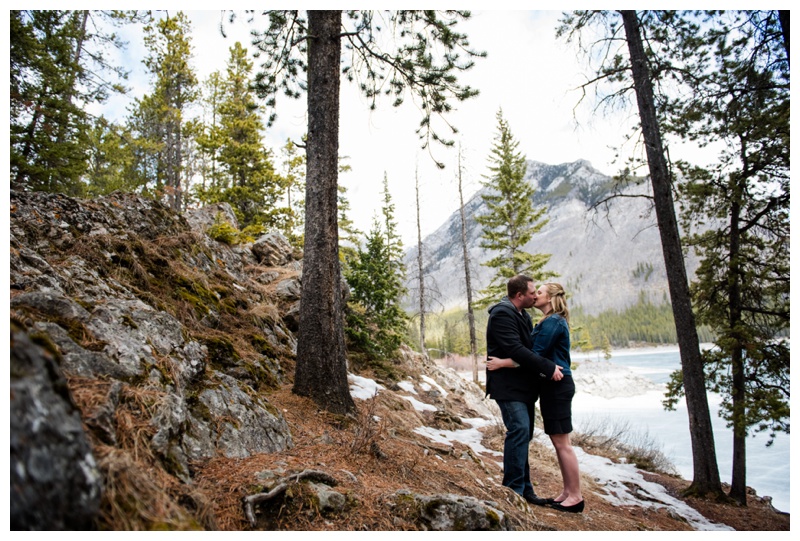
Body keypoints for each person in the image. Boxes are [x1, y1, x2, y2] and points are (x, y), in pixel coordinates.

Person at [487, 282, 584, 513]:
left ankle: (575, 495)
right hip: (547, 385)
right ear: (520, 294)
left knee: (562, 444)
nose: (535, 296)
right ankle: (565, 492)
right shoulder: (541, 319)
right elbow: (528, 352)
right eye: (533, 292)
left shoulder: (552, 321)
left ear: (549, 298)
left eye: (539, 293)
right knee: (553, 441)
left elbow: (534, 355)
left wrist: (502, 363)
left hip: (557, 384)